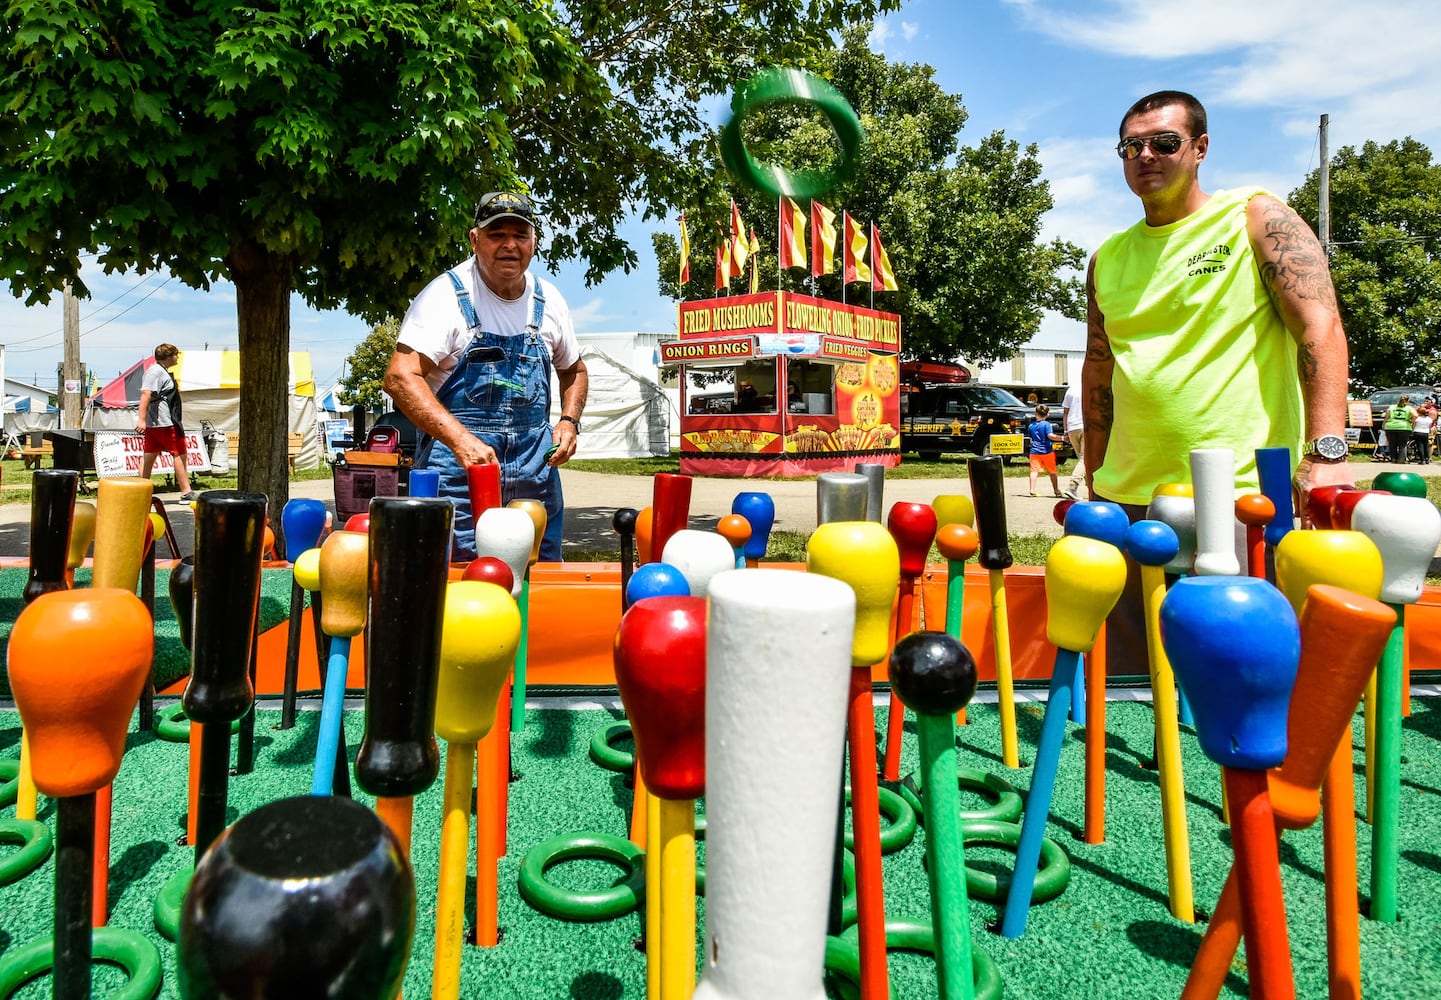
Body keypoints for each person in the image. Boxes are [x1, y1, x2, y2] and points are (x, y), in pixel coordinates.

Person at [1083, 90, 1353, 669]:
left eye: (1164, 142)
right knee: (1134, 685)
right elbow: (1099, 367)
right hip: (1128, 497)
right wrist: (1094, 473)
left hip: (1240, 496)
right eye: (1131, 146)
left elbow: (1320, 326)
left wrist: (1327, 451)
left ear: (1200, 148)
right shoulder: (1106, 258)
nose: (1146, 155)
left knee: (1237, 672)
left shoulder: (1255, 216)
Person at [383, 192, 588, 561]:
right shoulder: (445, 296)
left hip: (535, 481)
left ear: (534, 242)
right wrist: (461, 442)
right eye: (496, 234)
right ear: (475, 240)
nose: (509, 245)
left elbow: (573, 370)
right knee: (460, 590)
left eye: (520, 234)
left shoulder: (549, 300)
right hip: (459, 481)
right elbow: (400, 377)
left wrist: (570, 421)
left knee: (538, 588)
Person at [135, 343, 196, 500]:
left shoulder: (159, 371)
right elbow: (146, 394)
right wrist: (141, 420)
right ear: (168, 356)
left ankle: (142, 490)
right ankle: (186, 491)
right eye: (176, 354)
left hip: (157, 423)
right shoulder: (155, 372)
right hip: (165, 422)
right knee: (180, 453)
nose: (177, 357)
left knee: (149, 455)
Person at [1027, 404, 1064, 497]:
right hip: (1047, 451)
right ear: (1047, 415)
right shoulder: (1047, 424)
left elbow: (1031, 439)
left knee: (1034, 471)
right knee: (1052, 471)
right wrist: (1062, 438)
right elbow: (1050, 436)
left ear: (1036, 413)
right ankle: (1056, 490)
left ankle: (1032, 490)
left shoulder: (1031, 426)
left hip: (1034, 451)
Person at [1060, 380, 1086, 499]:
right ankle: (1072, 486)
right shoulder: (1089, 387)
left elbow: (1065, 412)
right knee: (1085, 460)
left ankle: (1091, 489)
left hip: (1072, 428)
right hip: (1085, 427)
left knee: (1083, 461)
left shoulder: (1071, 390)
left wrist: (1065, 431)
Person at [1383, 394, 1416, 464]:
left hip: (1390, 427)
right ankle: (1401, 459)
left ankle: (1393, 459)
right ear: (1408, 401)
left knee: (1392, 444)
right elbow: (1415, 415)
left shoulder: (1392, 407)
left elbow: (1387, 416)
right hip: (1404, 427)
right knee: (1402, 445)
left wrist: (1384, 425)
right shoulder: (1409, 408)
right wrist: (1412, 422)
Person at [1413, 398, 1434, 465]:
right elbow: (1430, 426)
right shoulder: (1429, 419)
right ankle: (1427, 458)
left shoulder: (1417, 419)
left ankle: (1422, 459)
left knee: (1419, 446)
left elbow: (1414, 425)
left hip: (1417, 432)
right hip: (1426, 432)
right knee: (1426, 446)